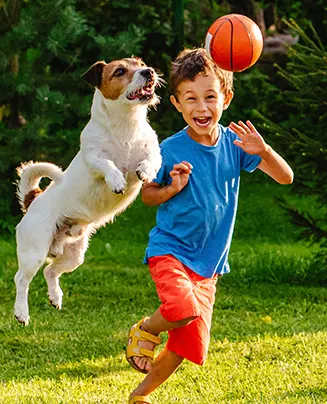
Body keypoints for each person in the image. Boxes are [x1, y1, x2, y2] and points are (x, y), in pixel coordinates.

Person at [125, 48, 294, 404]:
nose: (202, 108)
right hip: (171, 250)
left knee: (186, 345)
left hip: (209, 265)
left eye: (210, 97)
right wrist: (172, 187)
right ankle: (144, 330)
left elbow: (285, 177)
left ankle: (139, 396)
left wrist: (263, 150)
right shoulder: (169, 149)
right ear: (176, 104)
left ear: (226, 99)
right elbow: (148, 196)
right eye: (191, 99)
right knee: (180, 310)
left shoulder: (237, 145)